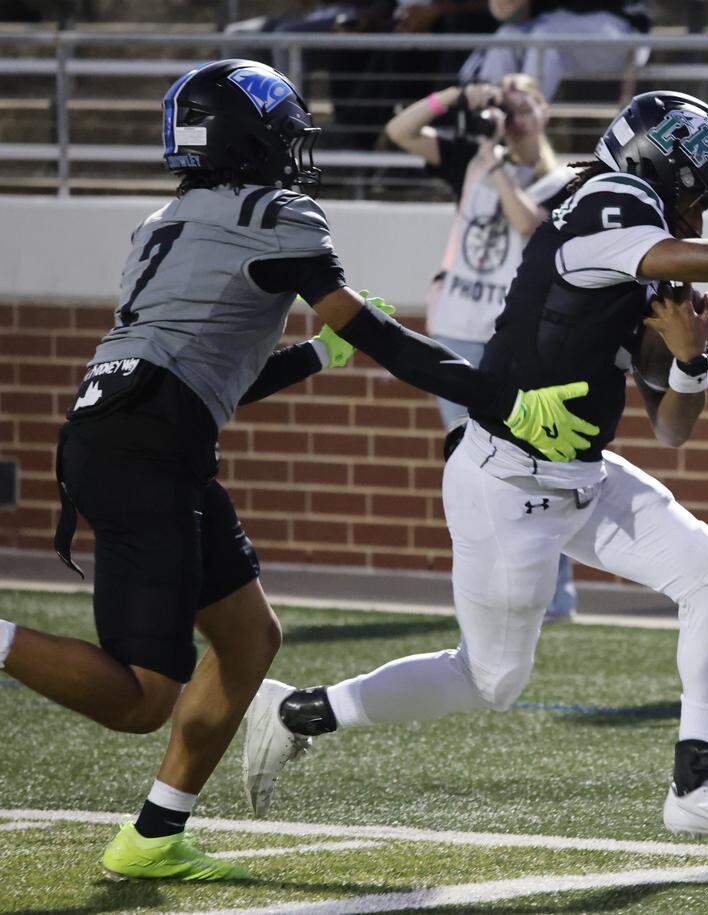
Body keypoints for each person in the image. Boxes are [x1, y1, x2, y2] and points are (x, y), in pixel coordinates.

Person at [243, 90, 708, 841]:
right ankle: (296, 710)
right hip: (506, 478)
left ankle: (696, 781)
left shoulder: (638, 251)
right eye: (696, 198)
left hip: (581, 474)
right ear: (662, 169)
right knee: (489, 680)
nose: (697, 218)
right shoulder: (608, 203)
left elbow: (673, 427)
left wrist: (691, 360)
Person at [0, 58, 598, 881]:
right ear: (249, 139)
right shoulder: (277, 213)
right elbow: (384, 338)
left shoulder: (166, 223)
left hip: (137, 429)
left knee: (249, 639)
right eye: (281, 132)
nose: (292, 148)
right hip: (147, 446)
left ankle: (152, 836)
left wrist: (319, 354)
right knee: (143, 696)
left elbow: (215, 374)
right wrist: (497, 397)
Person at [386, 73, 580, 618]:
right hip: (455, 329)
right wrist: (456, 95)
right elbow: (399, 130)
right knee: (471, 460)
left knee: (535, 456)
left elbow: (529, 226)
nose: (509, 110)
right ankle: (488, 588)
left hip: (515, 338)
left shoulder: (565, 179)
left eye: (521, 100)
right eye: (502, 101)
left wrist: (498, 170)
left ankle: (554, 592)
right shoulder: (469, 157)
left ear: (543, 110)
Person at [460, 0, 651, 100]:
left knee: (545, 39)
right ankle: (485, 122)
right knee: (506, 35)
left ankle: (524, 129)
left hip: (622, 34)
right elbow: (502, 11)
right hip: (553, 29)